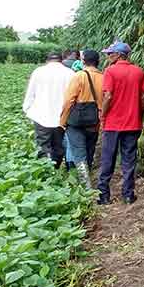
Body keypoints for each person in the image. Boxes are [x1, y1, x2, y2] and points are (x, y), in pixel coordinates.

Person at [97, 41, 144, 205]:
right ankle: (128, 195)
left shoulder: (110, 71)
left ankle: (103, 196)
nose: (108, 56)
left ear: (118, 55)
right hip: (133, 123)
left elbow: (108, 96)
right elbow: (143, 98)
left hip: (113, 123)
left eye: (110, 53)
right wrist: (139, 114)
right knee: (129, 159)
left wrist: (102, 115)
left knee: (107, 159)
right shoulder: (138, 72)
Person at [22, 51, 74, 168]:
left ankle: (46, 173)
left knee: (43, 146)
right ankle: (56, 168)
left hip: (41, 116)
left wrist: (27, 110)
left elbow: (30, 93)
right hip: (62, 117)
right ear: (61, 60)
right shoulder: (70, 73)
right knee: (58, 146)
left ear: (47, 60)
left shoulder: (38, 72)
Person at [59, 50, 103, 188]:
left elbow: (69, 101)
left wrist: (63, 121)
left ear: (83, 61)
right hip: (95, 121)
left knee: (79, 153)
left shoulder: (78, 76)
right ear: (98, 61)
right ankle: (87, 177)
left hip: (76, 122)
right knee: (90, 150)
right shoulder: (104, 77)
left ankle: (85, 186)